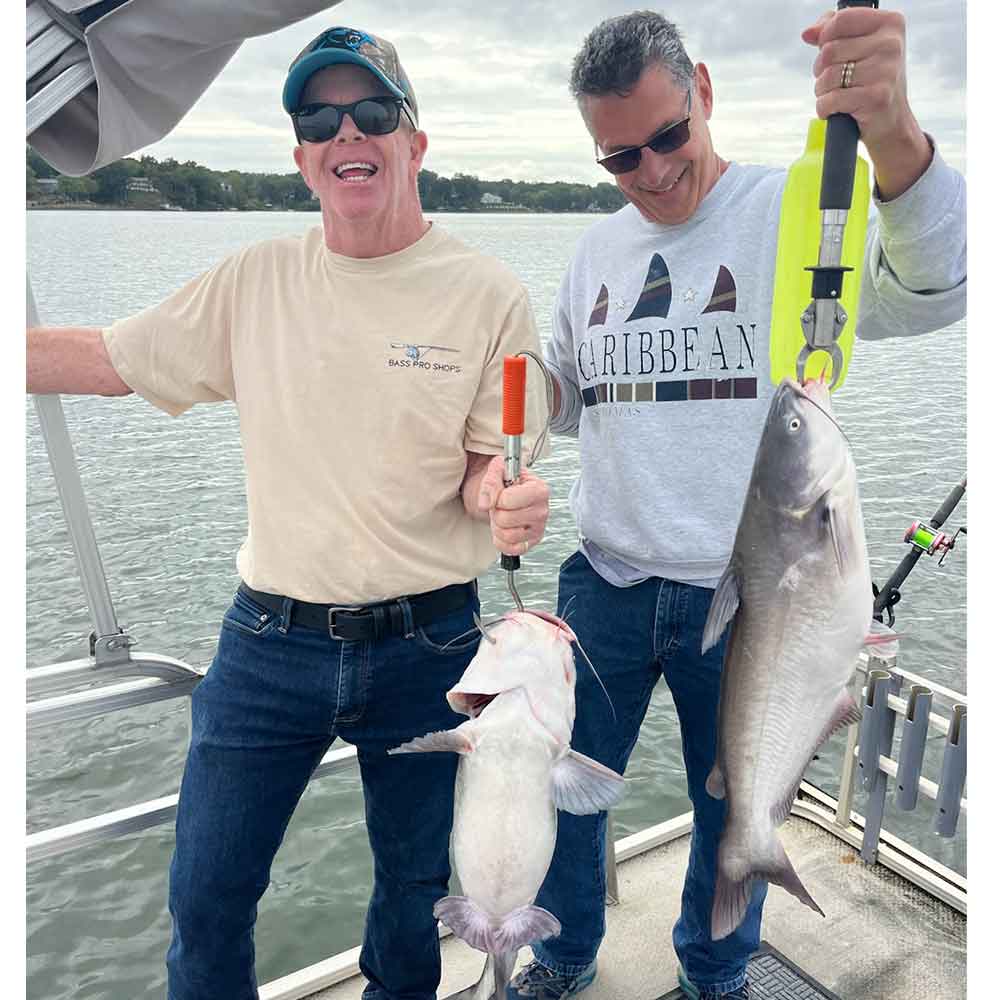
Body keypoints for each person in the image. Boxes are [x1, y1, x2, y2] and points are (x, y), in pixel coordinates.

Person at [26, 25, 552, 1000]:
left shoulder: (487, 293)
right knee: (208, 893)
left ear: (414, 142)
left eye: (371, 110)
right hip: (267, 641)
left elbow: (490, 462)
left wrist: (507, 500)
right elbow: (106, 359)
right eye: (318, 115)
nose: (345, 127)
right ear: (302, 155)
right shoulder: (253, 280)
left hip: (428, 641)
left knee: (410, 893)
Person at [509, 8, 965, 1000]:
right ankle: (562, 953)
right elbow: (565, 395)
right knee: (564, 792)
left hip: (758, 591)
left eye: (669, 134)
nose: (653, 169)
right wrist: (499, 426)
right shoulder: (593, 255)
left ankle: (715, 971)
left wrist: (891, 135)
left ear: (703, 92)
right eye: (621, 155)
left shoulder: (794, 211)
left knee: (735, 805)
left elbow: (938, 287)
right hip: (608, 581)